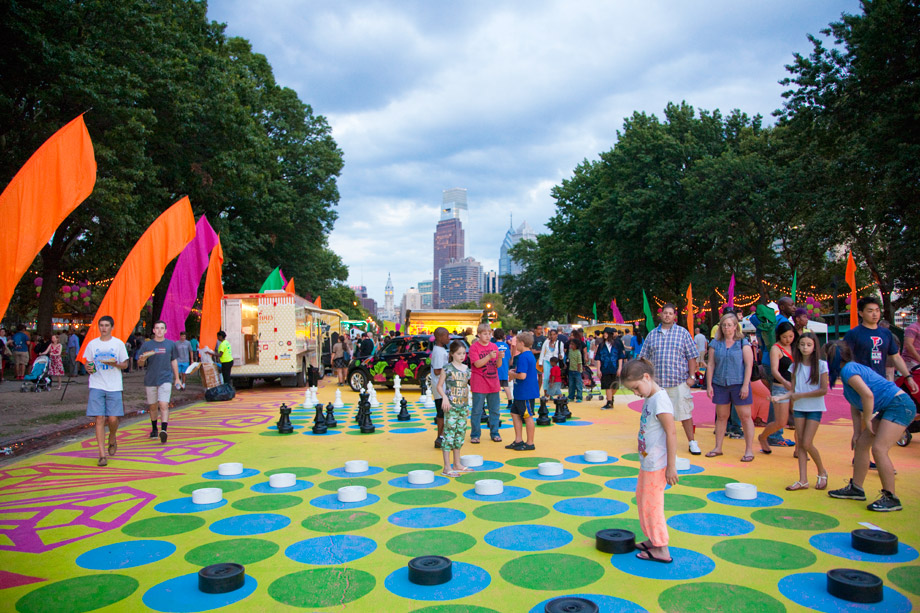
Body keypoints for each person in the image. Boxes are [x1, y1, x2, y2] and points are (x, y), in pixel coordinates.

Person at [826, 340, 918, 511]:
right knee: (861, 444)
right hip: (891, 405)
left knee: (879, 449)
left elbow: (868, 396)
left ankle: (891, 497)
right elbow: (856, 404)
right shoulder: (849, 371)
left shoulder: (848, 370)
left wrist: (867, 420)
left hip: (899, 405)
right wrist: (856, 432)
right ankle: (856, 489)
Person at [621, 358, 679, 564]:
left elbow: (671, 433)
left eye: (636, 387)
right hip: (648, 463)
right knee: (643, 499)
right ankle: (653, 539)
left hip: (657, 465)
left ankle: (661, 547)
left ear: (646, 377)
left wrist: (671, 466)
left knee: (653, 505)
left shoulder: (660, 400)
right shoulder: (650, 398)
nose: (636, 393)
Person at [639, 304, 701, 455]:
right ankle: (651, 442)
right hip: (657, 385)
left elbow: (692, 356)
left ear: (674, 316)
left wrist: (692, 377)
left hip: (678, 381)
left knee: (684, 413)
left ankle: (692, 442)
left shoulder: (682, 333)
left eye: (670, 313)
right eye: (665, 313)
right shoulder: (652, 335)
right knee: (654, 414)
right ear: (660, 315)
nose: (667, 316)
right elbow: (643, 358)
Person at [772, 332, 829, 491]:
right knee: (801, 445)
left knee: (806, 442)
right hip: (799, 408)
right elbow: (794, 390)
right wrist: (781, 397)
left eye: (809, 345)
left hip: (814, 408)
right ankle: (803, 479)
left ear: (814, 347)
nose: (805, 348)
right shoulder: (794, 366)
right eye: (802, 344)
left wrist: (800, 395)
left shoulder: (821, 365)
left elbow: (823, 390)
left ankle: (822, 471)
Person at [705, 313, 755, 461]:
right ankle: (718, 447)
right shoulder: (716, 343)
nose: (727, 328)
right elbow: (711, 364)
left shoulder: (742, 343)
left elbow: (748, 365)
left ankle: (749, 450)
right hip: (720, 383)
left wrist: (745, 385)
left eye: (729, 325)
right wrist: (709, 385)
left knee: (745, 417)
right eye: (724, 325)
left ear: (735, 326)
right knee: (721, 416)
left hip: (739, 383)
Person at [83, 316, 129, 466]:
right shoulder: (92, 344)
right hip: (97, 384)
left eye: (106, 325)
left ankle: (113, 436)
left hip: (114, 385)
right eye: (101, 325)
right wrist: (88, 367)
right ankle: (102, 455)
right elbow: (88, 362)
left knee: (113, 419)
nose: (104, 328)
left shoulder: (118, 344)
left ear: (112, 327)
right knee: (99, 419)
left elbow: (125, 364)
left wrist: (115, 364)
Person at [845, 297, 910, 379]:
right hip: (861, 381)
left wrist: (908, 376)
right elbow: (845, 359)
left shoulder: (886, 333)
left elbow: (896, 357)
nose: (875, 314)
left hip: (880, 380)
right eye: (870, 311)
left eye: (877, 310)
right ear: (861, 313)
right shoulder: (853, 334)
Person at [138, 321, 179, 444]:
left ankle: (164, 430)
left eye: (162, 328)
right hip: (151, 379)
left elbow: (174, 361)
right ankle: (154, 428)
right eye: (157, 328)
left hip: (165, 378)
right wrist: (142, 359)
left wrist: (177, 377)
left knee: (163, 404)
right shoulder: (147, 345)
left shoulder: (170, 344)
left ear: (166, 331)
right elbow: (140, 363)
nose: (160, 330)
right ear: (154, 331)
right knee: (153, 406)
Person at [758, 322, 796, 454]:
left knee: (799, 419)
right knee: (781, 421)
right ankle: (763, 437)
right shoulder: (776, 348)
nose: (788, 340)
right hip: (781, 387)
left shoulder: (795, 347)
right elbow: (774, 370)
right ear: (779, 336)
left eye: (791, 336)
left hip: (796, 388)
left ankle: (799, 449)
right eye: (785, 337)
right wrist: (784, 382)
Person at [436, 340, 472, 477]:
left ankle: (457, 463)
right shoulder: (447, 368)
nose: (462, 356)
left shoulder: (467, 370)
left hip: (463, 407)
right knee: (449, 435)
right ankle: (446, 467)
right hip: (451, 407)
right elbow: (439, 386)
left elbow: (466, 388)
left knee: (460, 435)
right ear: (452, 354)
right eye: (459, 354)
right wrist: (444, 398)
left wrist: (467, 405)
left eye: (464, 353)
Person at [469, 323, 503, 444]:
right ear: (478, 335)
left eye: (489, 334)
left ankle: (495, 432)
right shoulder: (474, 347)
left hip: (493, 382)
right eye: (485, 334)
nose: (488, 336)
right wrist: (489, 356)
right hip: (479, 383)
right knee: (477, 410)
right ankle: (475, 434)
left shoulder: (494, 346)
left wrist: (500, 357)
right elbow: (477, 364)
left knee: (495, 410)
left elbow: (498, 365)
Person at [507, 331, 538, 451]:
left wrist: (513, 374)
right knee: (514, 413)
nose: (515, 345)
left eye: (516, 343)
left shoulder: (523, 357)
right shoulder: (528, 355)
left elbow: (522, 376)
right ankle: (518, 440)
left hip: (525, 393)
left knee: (527, 416)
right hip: (521, 392)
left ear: (522, 343)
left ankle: (530, 442)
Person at [430, 327, 450, 449]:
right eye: (447, 336)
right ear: (439, 337)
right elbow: (438, 371)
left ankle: (441, 437)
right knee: (442, 413)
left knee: (443, 412)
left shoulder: (441, 350)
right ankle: (440, 437)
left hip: (442, 387)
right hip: (440, 387)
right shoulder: (438, 351)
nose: (449, 338)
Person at [595, 327, 624, 409]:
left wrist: (620, 368)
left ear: (610, 334)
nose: (604, 334)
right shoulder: (601, 345)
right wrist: (598, 370)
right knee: (607, 385)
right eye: (604, 333)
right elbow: (598, 358)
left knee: (615, 386)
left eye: (606, 333)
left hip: (615, 368)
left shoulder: (617, 344)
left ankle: (610, 397)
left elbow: (620, 357)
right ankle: (609, 402)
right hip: (605, 368)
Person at [538, 328, 564, 396]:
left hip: (555, 362)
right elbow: (542, 352)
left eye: (554, 334)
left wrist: (561, 356)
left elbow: (562, 352)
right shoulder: (546, 342)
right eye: (551, 334)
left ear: (557, 335)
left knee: (555, 378)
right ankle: (546, 393)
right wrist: (540, 362)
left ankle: (553, 393)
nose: (552, 336)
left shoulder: (560, 343)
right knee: (546, 378)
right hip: (547, 361)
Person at [494, 328, 512, 407]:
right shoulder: (506, 345)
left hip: (496, 369)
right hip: (504, 368)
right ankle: (510, 401)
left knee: (495, 387)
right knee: (505, 385)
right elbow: (508, 357)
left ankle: (495, 402)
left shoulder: (493, 345)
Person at [532, 324, 546, 389]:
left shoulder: (543, 338)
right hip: (533, 358)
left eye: (541, 329)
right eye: (538, 329)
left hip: (540, 358)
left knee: (540, 374)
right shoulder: (532, 337)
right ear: (535, 330)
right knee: (532, 374)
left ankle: (538, 389)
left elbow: (545, 349)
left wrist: (537, 351)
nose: (540, 330)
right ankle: (533, 388)